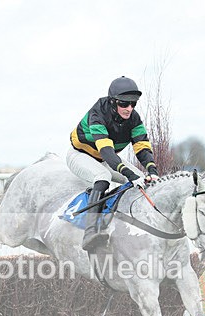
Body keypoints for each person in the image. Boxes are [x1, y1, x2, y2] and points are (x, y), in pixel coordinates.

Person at [68, 76, 160, 251]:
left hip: (104, 158)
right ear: (112, 102)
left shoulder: (133, 118)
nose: (129, 108)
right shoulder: (97, 114)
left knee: (142, 181)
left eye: (133, 104)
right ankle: (90, 231)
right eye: (124, 104)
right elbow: (107, 151)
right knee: (104, 177)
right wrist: (129, 175)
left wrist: (152, 170)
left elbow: (142, 146)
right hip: (80, 155)